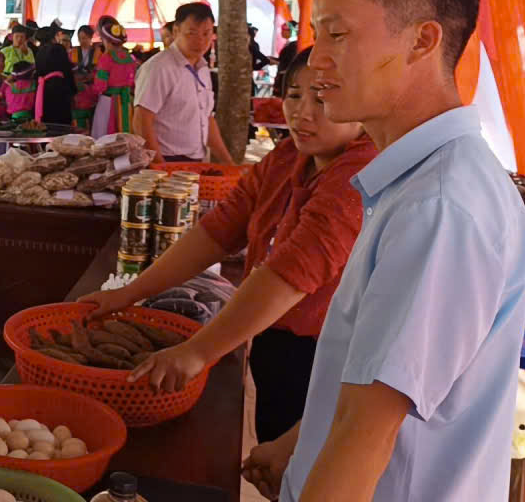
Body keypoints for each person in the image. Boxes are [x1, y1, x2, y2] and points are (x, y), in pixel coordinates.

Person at [241, 0, 525, 502]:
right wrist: (299, 444)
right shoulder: (411, 183)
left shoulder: (439, 207)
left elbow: (365, 435)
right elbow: (370, 379)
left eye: (338, 35)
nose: (317, 59)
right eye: (317, 34)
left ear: (423, 40)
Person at [81, 47, 376, 442]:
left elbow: (294, 270)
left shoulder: (361, 174)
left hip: (329, 357)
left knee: (306, 457)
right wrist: (130, 293)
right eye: (294, 95)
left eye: (322, 99)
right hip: (273, 336)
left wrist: (199, 351)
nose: (302, 112)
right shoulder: (289, 156)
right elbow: (218, 230)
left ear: (362, 103)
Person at [133, 4, 236, 164]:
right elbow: (141, 120)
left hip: (196, 160)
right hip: (166, 159)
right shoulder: (159, 67)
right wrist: (160, 166)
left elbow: (206, 119)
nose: (200, 40)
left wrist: (228, 163)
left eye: (206, 33)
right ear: (176, 31)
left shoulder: (202, 68)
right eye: (191, 33)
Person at [91, 16, 140, 136]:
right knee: (125, 134)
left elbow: (100, 86)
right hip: (126, 101)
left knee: (103, 135)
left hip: (108, 101)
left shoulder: (106, 58)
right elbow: (135, 83)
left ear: (106, 41)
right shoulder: (131, 59)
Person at [35, 27, 76, 125]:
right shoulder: (59, 49)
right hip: (60, 88)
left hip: (43, 90)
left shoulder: (40, 51)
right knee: (60, 125)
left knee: (45, 123)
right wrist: (73, 89)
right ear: (54, 37)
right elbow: (67, 70)